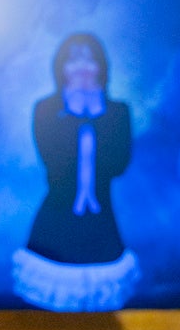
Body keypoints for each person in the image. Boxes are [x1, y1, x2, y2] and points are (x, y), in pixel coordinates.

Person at [11, 31, 140, 314]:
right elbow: (56, 165)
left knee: (104, 313)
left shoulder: (118, 111)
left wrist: (97, 114)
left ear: (101, 67)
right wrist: (74, 113)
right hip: (55, 224)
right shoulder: (46, 110)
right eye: (73, 60)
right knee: (46, 314)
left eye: (89, 59)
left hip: (102, 222)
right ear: (61, 68)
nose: (81, 67)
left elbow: (118, 165)